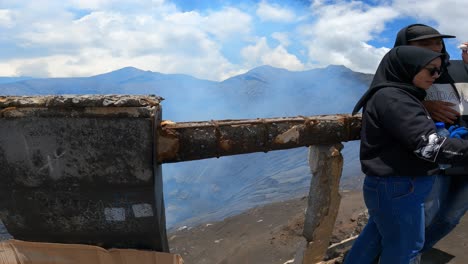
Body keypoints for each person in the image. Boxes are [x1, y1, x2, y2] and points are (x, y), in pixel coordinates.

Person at [346, 46, 468, 264]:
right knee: (406, 250)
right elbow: (429, 147)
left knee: (384, 240)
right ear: (408, 67)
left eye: (439, 71)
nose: (436, 76)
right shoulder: (394, 99)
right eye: (431, 70)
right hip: (398, 184)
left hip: (398, 184)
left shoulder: (399, 95)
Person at [393, 24, 468, 252]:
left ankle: (415, 254)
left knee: (451, 217)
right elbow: (388, 97)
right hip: (433, 157)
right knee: (424, 213)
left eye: (438, 43)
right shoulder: (409, 73)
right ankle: (398, 254)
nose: (435, 49)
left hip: (465, 156)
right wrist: (423, 104)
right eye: (425, 44)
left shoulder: (460, 69)